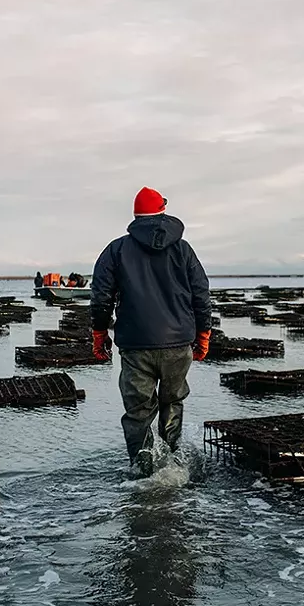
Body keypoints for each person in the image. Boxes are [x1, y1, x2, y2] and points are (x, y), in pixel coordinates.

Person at [90, 186, 212, 476]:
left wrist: (99, 335)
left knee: (138, 413)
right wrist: (203, 335)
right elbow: (201, 294)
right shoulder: (183, 249)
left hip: (135, 345)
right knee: (173, 402)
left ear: (136, 215)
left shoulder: (116, 250)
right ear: (162, 211)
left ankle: (142, 473)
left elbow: (100, 297)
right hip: (178, 343)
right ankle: (171, 467)